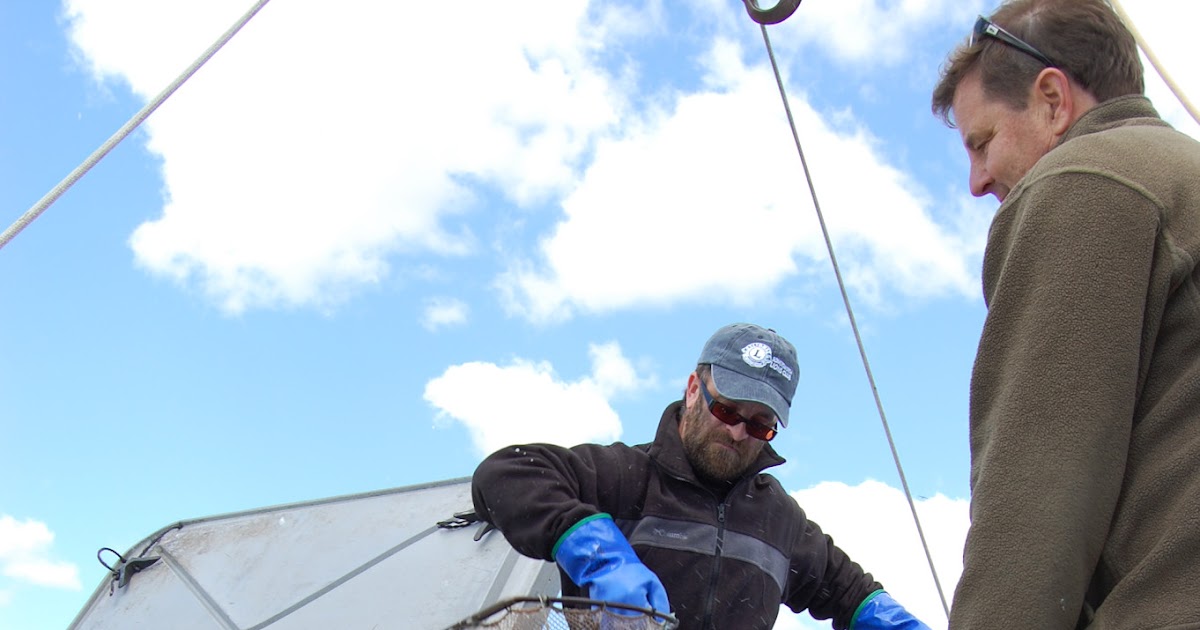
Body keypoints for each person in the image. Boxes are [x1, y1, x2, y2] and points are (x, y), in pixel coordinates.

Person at [931, 1, 1200, 627]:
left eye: (983, 141)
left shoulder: (1087, 180)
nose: (976, 181)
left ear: (1052, 99)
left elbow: (1034, 508)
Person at [471, 323, 930, 629]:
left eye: (758, 424)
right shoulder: (623, 475)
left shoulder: (781, 520)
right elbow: (505, 473)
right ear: (694, 389)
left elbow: (852, 592)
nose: (736, 431)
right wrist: (601, 556)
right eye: (727, 409)